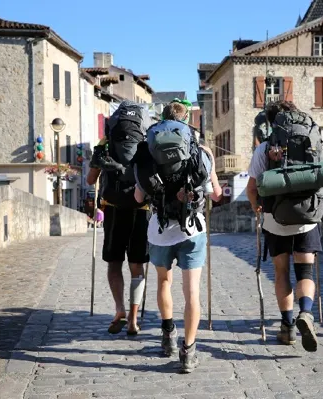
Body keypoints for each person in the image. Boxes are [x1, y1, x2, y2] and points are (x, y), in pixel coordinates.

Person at [133, 100, 222, 373]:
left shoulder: (148, 151)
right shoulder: (202, 152)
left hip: (160, 231)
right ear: (187, 122)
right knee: (191, 291)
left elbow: (138, 198)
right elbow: (217, 195)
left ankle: (168, 334)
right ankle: (189, 351)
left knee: (163, 282)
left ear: (162, 120)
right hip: (193, 229)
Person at [246, 100, 323, 353]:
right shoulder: (313, 141)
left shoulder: (264, 148)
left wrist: (256, 207)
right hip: (308, 218)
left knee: (281, 272)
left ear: (272, 122)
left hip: (275, 219)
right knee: (304, 272)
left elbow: (252, 188)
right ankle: (306, 312)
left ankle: (287, 327)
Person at [87, 100, 152, 336]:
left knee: (114, 263)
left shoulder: (106, 142)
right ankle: (134, 319)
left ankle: (119, 309)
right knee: (137, 266)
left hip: (113, 207)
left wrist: (102, 162)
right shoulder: (146, 141)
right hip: (140, 207)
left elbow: (90, 180)